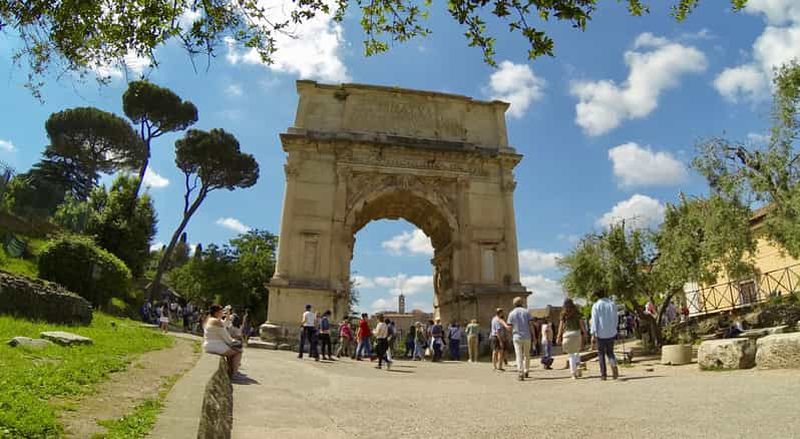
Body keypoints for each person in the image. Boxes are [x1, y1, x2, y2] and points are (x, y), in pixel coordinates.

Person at [203, 304, 244, 378]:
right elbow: (226, 336)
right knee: (238, 351)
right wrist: (234, 342)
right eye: (221, 311)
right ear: (216, 313)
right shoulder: (217, 321)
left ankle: (231, 372)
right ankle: (234, 374)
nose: (222, 313)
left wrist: (227, 314)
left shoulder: (210, 319)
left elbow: (226, 324)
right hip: (215, 345)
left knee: (231, 351)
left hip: (209, 344)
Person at [591, 289, 619, 381]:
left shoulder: (596, 305)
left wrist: (593, 333)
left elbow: (595, 321)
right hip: (611, 332)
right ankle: (614, 366)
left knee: (601, 354)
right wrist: (615, 328)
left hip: (600, 333)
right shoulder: (612, 304)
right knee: (610, 352)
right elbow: (616, 318)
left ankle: (604, 375)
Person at [558, 298, 588, 380]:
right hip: (577, 334)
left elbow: (561, 326)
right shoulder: (577, 313)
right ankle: (578, 367)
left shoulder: (563, 314)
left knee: (571, 355)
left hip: (567, 335)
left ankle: (573, 374)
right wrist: (585, 333)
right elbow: (581, 324)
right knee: (577, 352)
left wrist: (558, 336)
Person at [506, 297, 533, 381]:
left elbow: (509, 327)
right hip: (527, 336)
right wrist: (534, 336)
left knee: (518, 355)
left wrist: (505, 325)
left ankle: (520, 372)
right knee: (527, 354)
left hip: (517, 336)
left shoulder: (511, 313)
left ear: (514, 304)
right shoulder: (527, 312)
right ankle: (526, 370)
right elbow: (531, 325)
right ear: (522, 303)